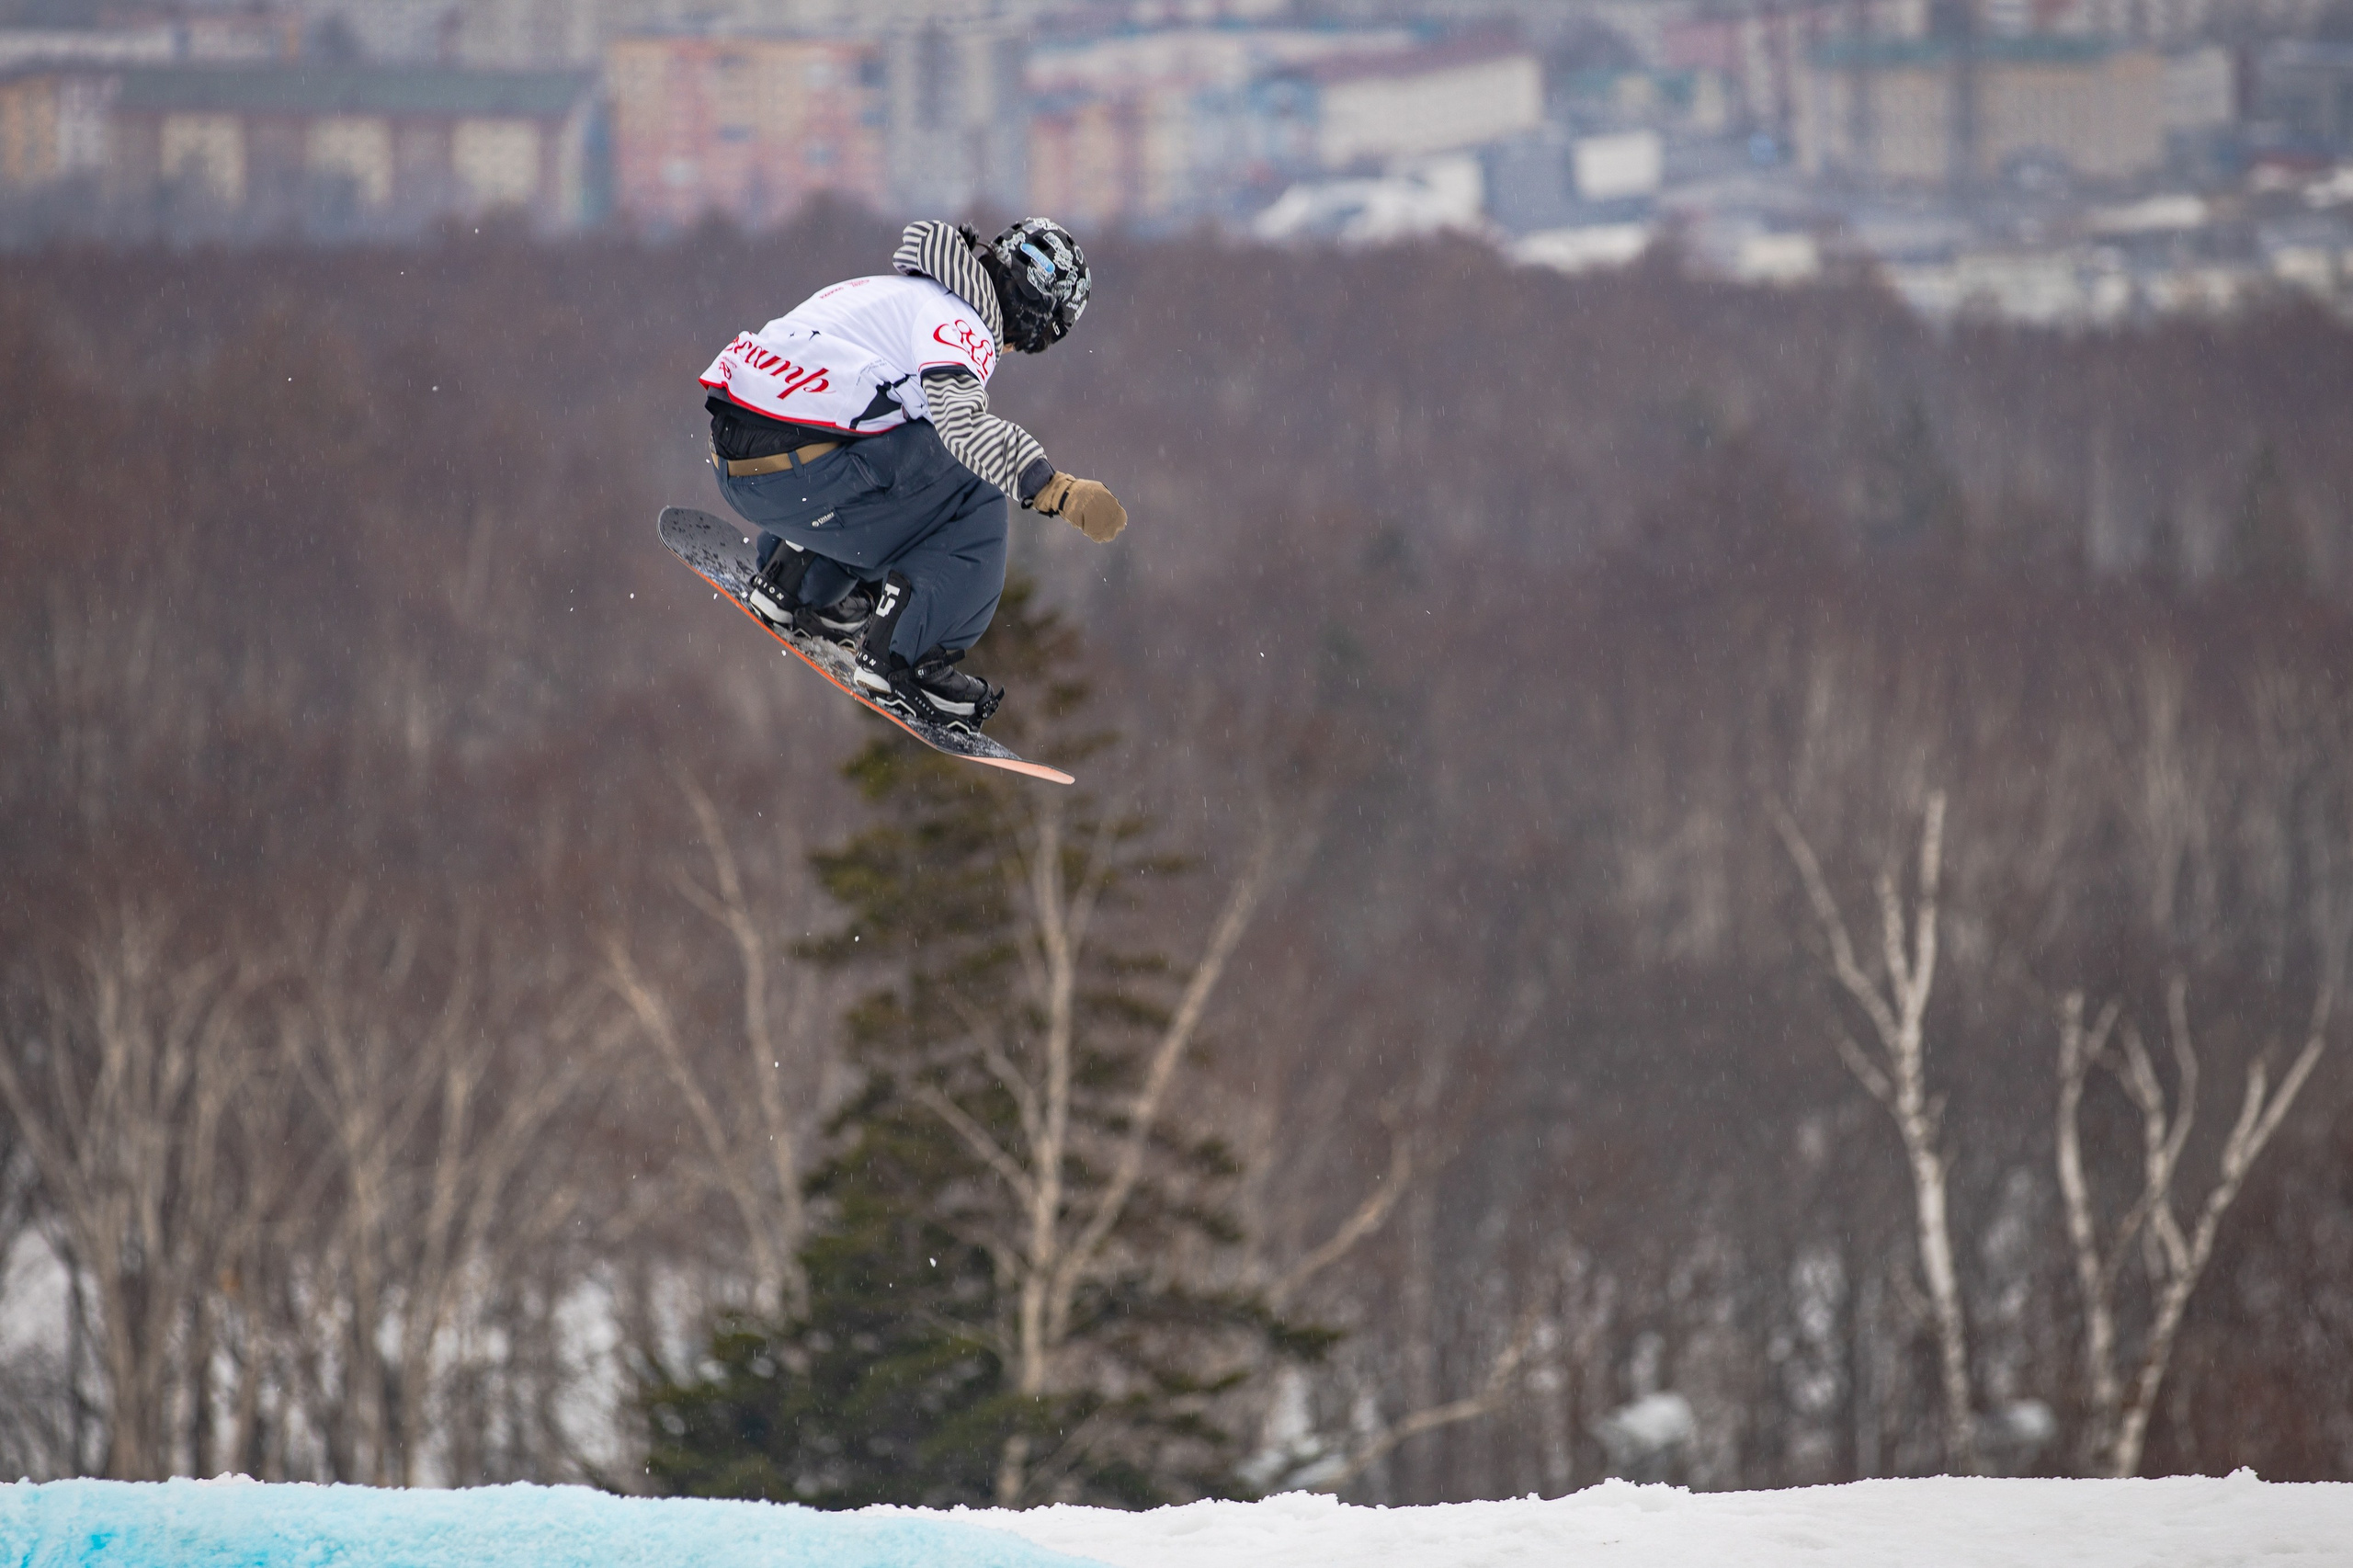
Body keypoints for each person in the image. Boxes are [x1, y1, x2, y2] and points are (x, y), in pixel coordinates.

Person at [699, 217, 1125, 732]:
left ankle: (799, 579)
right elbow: (964, 431)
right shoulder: (961, 323)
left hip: (737, 466)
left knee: (906, 439)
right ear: (1036, 322)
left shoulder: (896, 291)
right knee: (971, 488)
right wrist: (1057, 489)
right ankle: (906, 660)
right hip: (799, 472)